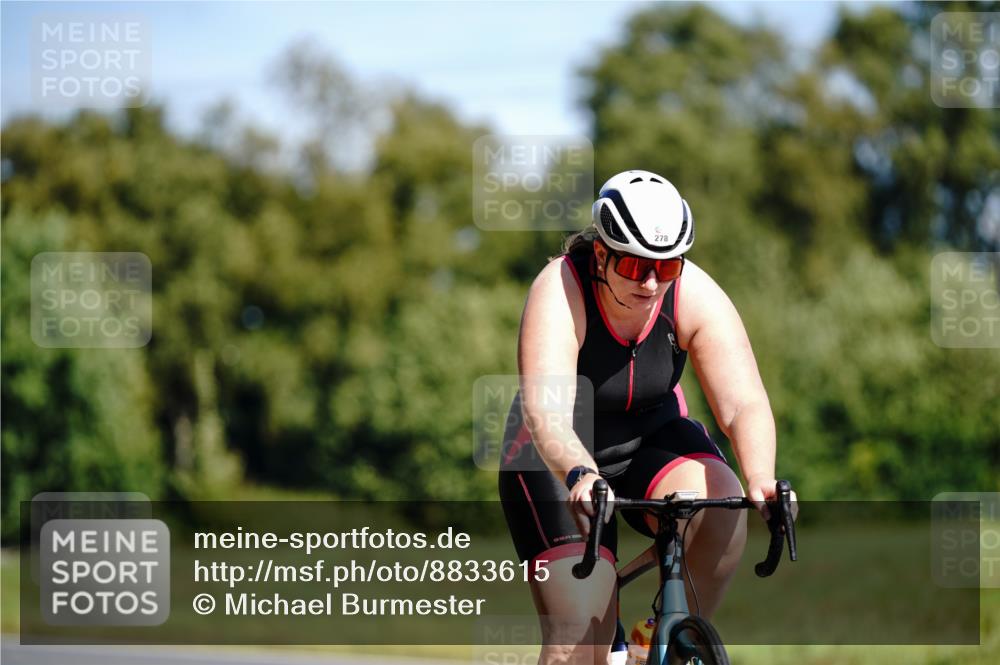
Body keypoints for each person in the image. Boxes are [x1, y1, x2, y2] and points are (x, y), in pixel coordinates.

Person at [498, 170, 780, 665]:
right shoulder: (560, 287)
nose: (651, 283)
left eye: (666, 267)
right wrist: (581, 473)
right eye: (633, 265)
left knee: (721, 501)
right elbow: (546, 411)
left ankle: (662, 639)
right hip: (555, 450)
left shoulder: (692, 292)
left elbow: (743, 403)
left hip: (649, 439)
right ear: (602, 255)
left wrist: (761, 481)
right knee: (580, 632)